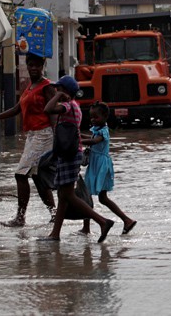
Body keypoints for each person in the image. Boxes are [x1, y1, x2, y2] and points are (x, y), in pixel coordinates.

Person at [0, 53, 56, 227]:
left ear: (43, 66)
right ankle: (54, 214)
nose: (34, 68)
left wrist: (57, 137)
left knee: (20, 174)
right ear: (27, 66)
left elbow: (53, 113)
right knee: (37, 178)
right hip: (32, 136)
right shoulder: (29, 86)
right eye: (31, 65)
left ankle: (20, 217)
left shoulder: (47, 87)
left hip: (44, 135)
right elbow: (17, 109)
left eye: (37, 65)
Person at [43, 76, 115, 243]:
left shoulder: (68, 106)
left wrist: (57, 96)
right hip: (68, 153)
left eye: (58, 88)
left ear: (66, 91)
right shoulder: (71, 105)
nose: (55, 91)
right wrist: (59, 95)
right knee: (63, 194)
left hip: (70, 154)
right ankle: (55, 234)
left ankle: (102, 222)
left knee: (68, 195)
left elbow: (48, 109)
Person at [78, 101, 137, 237]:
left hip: (101, 167)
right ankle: (87, 227)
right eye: (91, 117)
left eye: (96, 117)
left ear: (105, 117)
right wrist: (78, 135)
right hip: (95, 165)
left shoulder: (103, 131)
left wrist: (78, 141)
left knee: (97, 197)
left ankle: (126, 220)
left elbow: (94, 141)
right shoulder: (97, 130)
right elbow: (91, 138)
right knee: (93, 197)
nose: (93, 120)